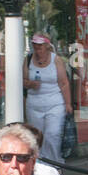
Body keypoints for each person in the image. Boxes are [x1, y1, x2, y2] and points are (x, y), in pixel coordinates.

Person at [25, 33, 72, 162]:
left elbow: (64, 82)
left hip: (54, 103)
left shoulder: (56, 60)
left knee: (53, 135)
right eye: (35, 45)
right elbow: (22, 81)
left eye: (40, 46)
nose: (37, 48)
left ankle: (55, 163)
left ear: (47, 46)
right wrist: (30, 84)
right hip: (34, 105)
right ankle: (39, 164)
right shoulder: (28, 59)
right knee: (36, 138)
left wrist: (68, 104)